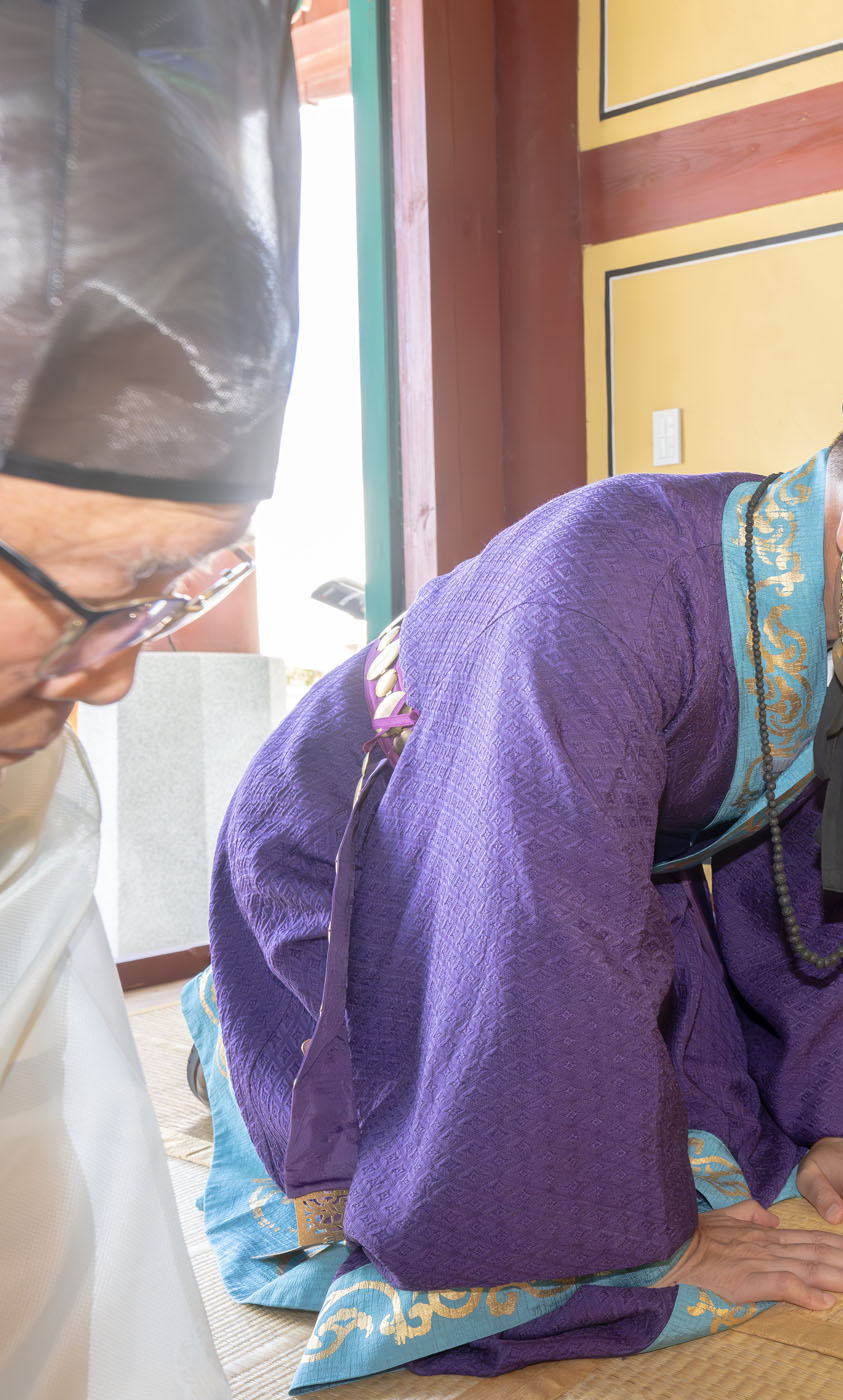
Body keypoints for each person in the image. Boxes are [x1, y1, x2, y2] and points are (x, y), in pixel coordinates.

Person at [187, 180, 843, 1388]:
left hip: (556, 859)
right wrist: (661, 1238)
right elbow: (549, 923)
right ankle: (233, 1033)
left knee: (727, 1121)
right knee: (460, 1166)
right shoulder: (606, 592)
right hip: (368, 838)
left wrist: (838, 1123)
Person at [0, 4, 301, 1397]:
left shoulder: (30, 766)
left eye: (166, 592)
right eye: (101, 591)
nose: (114, 674)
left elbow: (53, 1240)